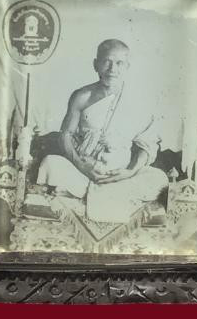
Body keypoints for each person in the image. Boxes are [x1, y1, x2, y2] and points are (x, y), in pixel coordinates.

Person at [37, 39, 168, 222]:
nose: (112, 69)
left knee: (159, 178)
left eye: (119, 63)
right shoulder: (82, 96)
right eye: (107, 61)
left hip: (121, 175)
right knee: (50, 163)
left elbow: (147, 144)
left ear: (127, 66)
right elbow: (65, 135)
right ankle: (102, 195)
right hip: (83, 171)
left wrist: (130, 171)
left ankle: (79, 196)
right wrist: (82, 166)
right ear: (95, 64)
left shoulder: (138, 101)